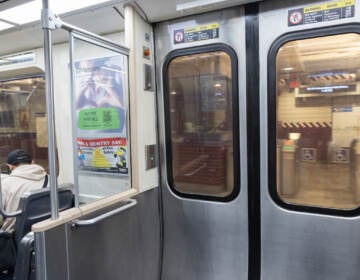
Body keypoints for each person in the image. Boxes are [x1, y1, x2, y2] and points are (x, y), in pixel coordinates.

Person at [0, 149, 48, 232]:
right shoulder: (49, 178)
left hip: (13, 238)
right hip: (43, 229)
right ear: (32, 162)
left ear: (11, 167)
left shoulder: (5, 184)